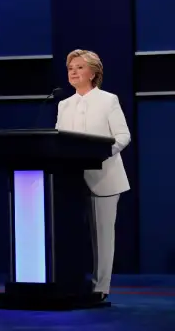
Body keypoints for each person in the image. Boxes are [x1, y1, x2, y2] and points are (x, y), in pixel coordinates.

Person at [55, 49, 130, 300]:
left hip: (104, 178)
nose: (73, 72)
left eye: (79, 67)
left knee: (102, 237)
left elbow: (123, 136)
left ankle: (100, 288)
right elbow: (57, 140)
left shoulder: (108, 100)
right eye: (70, 68)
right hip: (71, 180)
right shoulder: (63, 105)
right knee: (69, 235)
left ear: (93, 73)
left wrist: (100, 154)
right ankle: (70, 283)